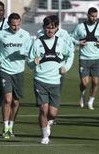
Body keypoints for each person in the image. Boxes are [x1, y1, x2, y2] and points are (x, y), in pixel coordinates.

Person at [28, 15, 74, 144]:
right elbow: (29, 62)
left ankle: (49, 122)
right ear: (43, 28)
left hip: (55, 81)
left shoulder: (61, 42)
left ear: (56, 28)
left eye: (52, 28)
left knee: (53, 113)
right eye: (48, 28)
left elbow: (70, 54)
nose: (50, 30)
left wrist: (66, 67)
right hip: (40, 80)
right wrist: (33, 62)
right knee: (43, 109)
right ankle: (44, 136)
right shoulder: (37, 43)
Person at [0, 13, 32, 139]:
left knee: (15, 101)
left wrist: (24, 54)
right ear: (8, 24)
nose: (16, 28)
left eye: (18, 25)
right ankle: (5, 127)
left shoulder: (25, 35)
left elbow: (29, 50)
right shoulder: (1, 34)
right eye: (13, 25)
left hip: (19, 71)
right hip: (5, 70)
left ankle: (11, 125)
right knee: (8, 99)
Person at [71, 7, 99, 110]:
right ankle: (82, 94)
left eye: (95, 16)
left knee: (95, 82)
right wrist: (78, 43)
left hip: (96, 59)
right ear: (88, 15)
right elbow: (71, 37)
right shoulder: (80, 27)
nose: (94, 18)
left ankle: (91, 101)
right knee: (84, 83)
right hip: (84, 58)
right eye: (92, 16)